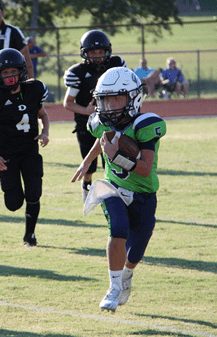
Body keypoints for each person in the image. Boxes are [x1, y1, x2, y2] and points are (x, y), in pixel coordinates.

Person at [70, 67, 167, 313]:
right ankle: (113, 288)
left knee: (135, 252)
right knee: (118, 230)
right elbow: (101, 137)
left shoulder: (145, 125)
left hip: (143, 194)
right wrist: (87, 161)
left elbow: (145, 169)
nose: (111, 105)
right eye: (106, 99)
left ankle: (126, 275)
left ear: (133, 98)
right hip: (112, 187)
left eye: (117, 98)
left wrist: (115, 156)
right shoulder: (103, 121)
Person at [0, 48, 50, 248]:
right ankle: (27, 228)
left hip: (29, 151)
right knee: (13, 203)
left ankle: (30, 235)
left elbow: (43, 115)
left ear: (21, 71)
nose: (10, 76)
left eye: (13, 72)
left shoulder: (33, 90)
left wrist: (45, 132)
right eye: (5, 73)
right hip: (7, 155)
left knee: (34, 194)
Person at [62, 29, 127, 203]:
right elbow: (68, 102)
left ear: (107, 51)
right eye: (93, 52)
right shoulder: (79, 72)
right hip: (87, 122)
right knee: (89, 165)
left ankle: (113, 193)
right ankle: (87, 185)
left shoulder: (116, 64)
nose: (97, 56)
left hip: (113, 120)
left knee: (112, 160)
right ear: (85, 53)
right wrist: (86, 111)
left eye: (100, 52)